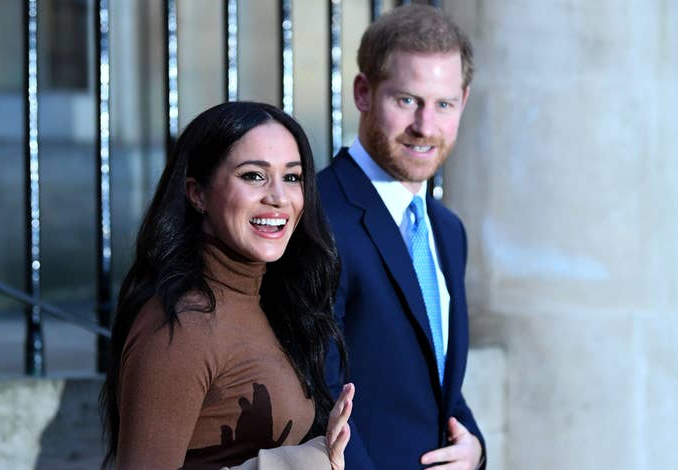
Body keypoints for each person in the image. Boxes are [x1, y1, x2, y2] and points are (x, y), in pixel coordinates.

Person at [100, 101, 354, 470]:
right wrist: (296, 464)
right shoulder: (182, 327)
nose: (279, 197)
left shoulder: (269, 300)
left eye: (292, 177)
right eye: (253, 176)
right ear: (197, 193)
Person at [318, 4, 485, 469]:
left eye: (443, 104)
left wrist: (474, 448)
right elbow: (316, 393)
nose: (425, 127)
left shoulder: (448, 230)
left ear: (463, 102)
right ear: (363, 93)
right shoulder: (318, 215)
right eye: (407, 100)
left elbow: (435, 379)